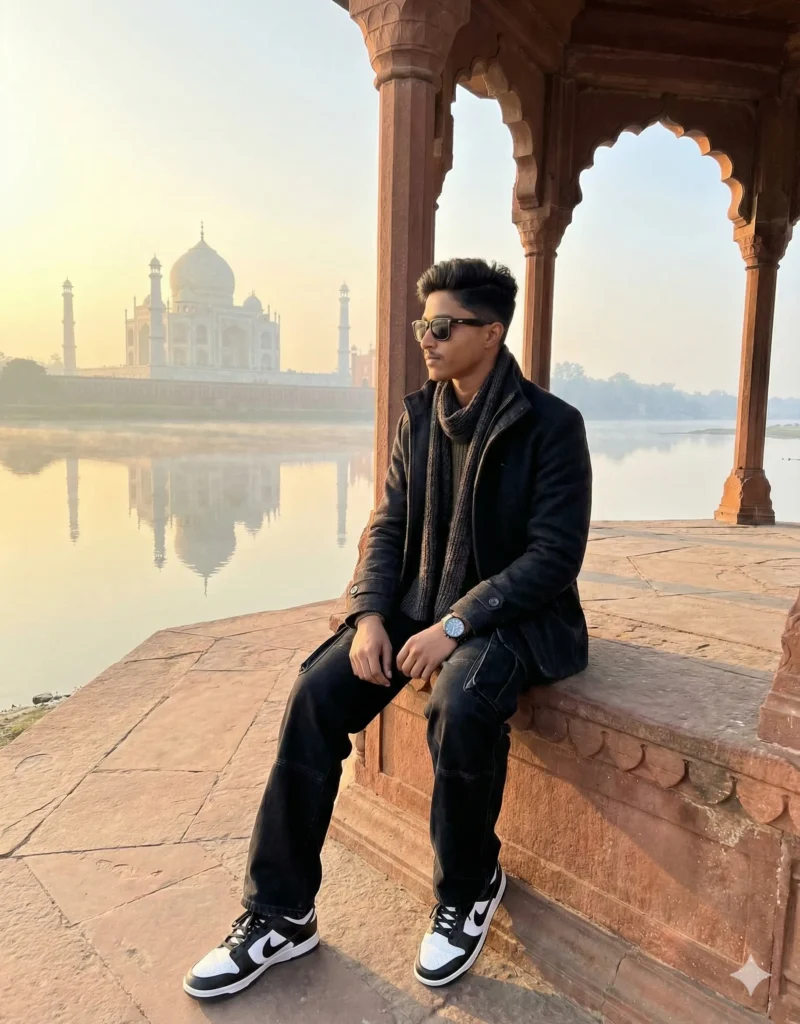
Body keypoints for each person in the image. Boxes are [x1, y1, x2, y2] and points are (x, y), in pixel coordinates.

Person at [183, 258, 593, 1000]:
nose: (426, 341)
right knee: (316, 692)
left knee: (461, 704)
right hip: (415, 603)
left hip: (515, 618)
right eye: (421, 326)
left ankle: (468, 887)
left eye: (442, 326)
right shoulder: (418, 416)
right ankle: (280, 912)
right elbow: (390, 522)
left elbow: (553, 557)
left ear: (491, 332)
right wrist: (368, 614)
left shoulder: (553, 427)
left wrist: (459, 622)